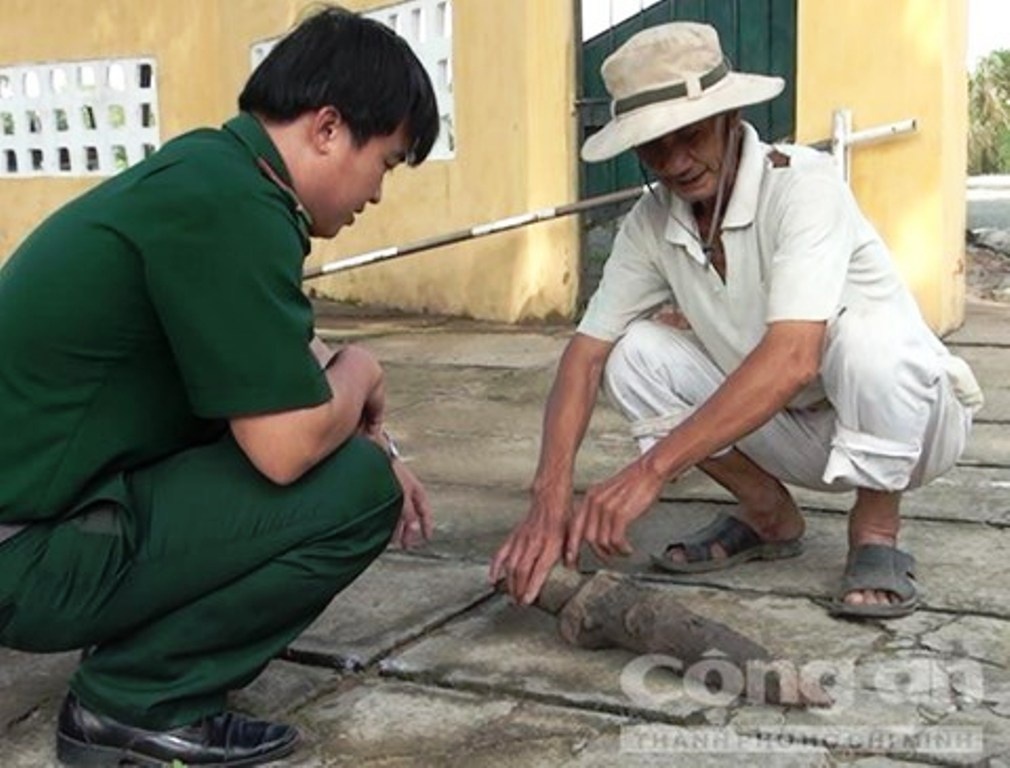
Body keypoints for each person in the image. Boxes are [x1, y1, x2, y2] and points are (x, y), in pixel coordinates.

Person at [0, 6, 437, 766]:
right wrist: (364, 370)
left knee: (344, 453)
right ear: (328, 128)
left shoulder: (213, 175)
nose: (376, 193)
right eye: (387, 162)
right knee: (357, 491)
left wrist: (376, 428)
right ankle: (134, 702)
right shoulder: (230, 205)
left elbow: (288, 348)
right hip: (25, 559)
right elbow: (286, 445)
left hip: (31, 526)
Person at [491, 22, 983, 622]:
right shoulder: (651, 223)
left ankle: (876, 530)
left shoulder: (803, 184)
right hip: (792, 430)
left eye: (689, 135)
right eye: (653, 146)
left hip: (911, 425)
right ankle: (768, 514)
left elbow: (796, 356)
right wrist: (548, 500)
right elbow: (585, 353)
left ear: (729, 117)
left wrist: (651, 470)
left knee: (867, 336)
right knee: (632, 355)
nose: (674, 162)